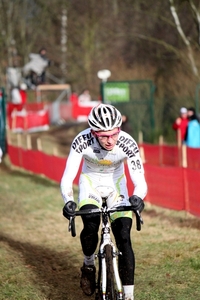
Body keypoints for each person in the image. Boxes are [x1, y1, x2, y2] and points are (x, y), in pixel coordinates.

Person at [60, 103, 147, 300]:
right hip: (90, 183)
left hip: (116, 185)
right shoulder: (81, 140)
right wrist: (68, 200)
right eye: (103, 136)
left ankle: (129, 296)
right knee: (90, 224)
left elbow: (139, 180)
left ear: (119, 129)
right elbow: (67, 177)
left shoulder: (128, 143)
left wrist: (138, 197)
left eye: (114, 134)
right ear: (93, 132)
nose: (110, 140)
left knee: (124, 236)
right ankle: (89, 264)